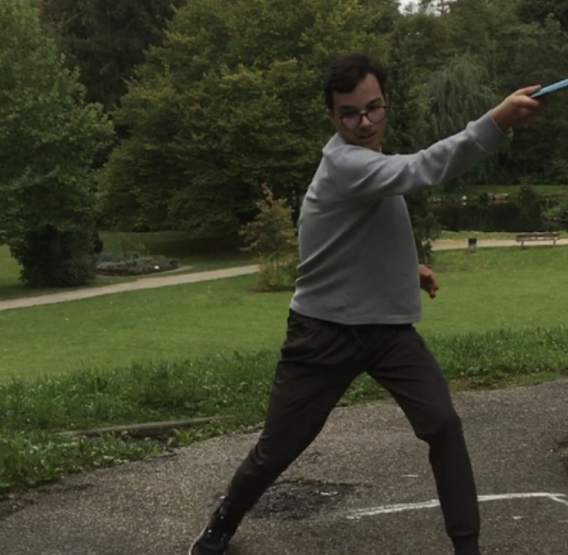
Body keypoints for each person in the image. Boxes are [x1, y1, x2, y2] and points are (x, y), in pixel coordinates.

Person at [188, 52, 545, 555]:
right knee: (279, 448)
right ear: (332, 117)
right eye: (350, 113)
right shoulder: (346, 164)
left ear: (385, 103)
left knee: (443, 425)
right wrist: (496, 121)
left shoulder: (367, 162)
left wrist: (407, 268)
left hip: (388, 333)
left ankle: (467, 548)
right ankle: (223, 521)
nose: (365, 122)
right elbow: (422, 169)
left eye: (374, 107)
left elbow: (342, 236)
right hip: (323, 334)